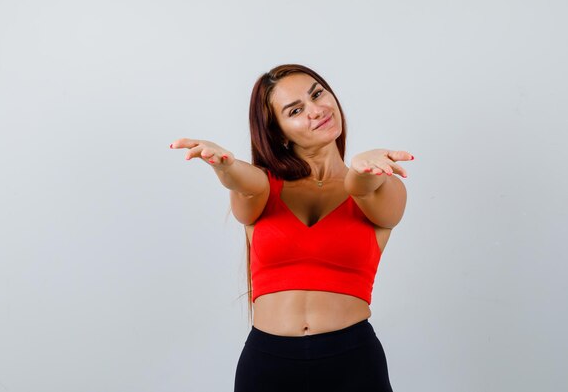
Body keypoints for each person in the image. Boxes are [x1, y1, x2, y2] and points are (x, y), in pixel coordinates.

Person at [170, 64, 413, 392]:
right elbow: (245, 182)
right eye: (296, 110)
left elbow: (361, 187)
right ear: (279, 131)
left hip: (352, 363)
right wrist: (224, 167)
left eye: (317, 94)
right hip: (267, 364)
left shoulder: (380, 184)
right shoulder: (263, 189)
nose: (316, 110)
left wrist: (364, 167)